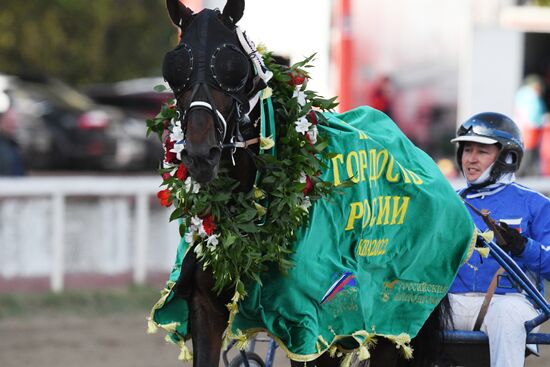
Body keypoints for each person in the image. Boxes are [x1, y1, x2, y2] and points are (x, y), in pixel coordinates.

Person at [448, 112, 550, 367]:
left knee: (505, 314)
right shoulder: (447, 203)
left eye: (481, 151)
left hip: (510, 302)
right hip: (452, 302)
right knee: (409, 308)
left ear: (508, 156)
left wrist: (524, 247)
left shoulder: (536, 204)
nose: (470, 159)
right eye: (466, 149)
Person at [513, 74, 549, 176]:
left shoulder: (521, 94)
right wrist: (544, 120)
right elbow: (535, 117)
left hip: (521, 131)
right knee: (527, 158)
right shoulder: (531, 96)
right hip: (530, 133)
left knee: (523, 157)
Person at [0, 91, 25, 176]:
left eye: (15, 121)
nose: (14, 125)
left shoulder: (12, 144)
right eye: (10, 121)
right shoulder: (4, 145)